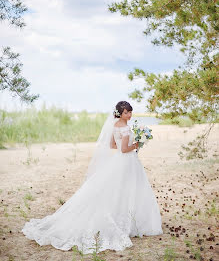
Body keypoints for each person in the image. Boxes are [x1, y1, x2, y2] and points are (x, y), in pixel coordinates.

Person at [21, 101, 163, 254]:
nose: (130, 115)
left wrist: (130, 144)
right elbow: (123, 149)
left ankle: (127, 220)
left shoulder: (115, 126)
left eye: (130, 112)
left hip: (120, 162)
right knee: (128, 190)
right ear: (120, 113)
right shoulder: (125, 128)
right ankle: (129, 223)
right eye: (127, 112)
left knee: (121, 190)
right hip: (127, 162)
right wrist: (136, 144)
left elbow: (112, 146)